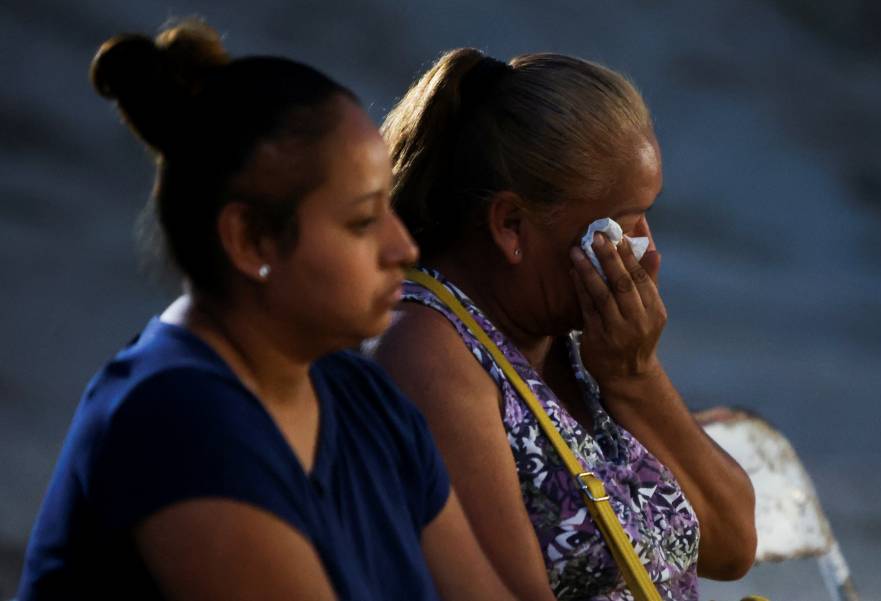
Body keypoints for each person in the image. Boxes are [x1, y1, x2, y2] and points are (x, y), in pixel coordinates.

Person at [17, 25, 515, 601]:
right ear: (250, 241)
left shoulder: (366, 402)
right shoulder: (176, 422)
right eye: (361, 222)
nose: (402, 248)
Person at [373, 48, 757, 601]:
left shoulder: (580, 342)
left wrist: (634, 378)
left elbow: (733, 546)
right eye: (623, 225)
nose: (647, 252)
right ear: (511, 225)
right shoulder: (430, 351)